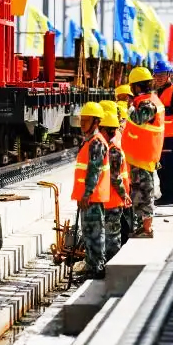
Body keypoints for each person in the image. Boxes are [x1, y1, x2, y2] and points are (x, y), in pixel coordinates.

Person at [122, 67, 166, 238]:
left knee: (145, 193)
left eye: (132, 86)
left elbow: (139, 118)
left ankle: (147, 229)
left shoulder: (149, 102)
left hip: (143, 155)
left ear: (138, 87)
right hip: (140, 154)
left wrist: (130, 106)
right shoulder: (147, 99)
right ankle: (143, 226)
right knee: (139, 193)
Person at [71, 102, 110, 280]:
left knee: (95, 234)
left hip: (92, 198)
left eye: (86, 121)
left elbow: (94, 170)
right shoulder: (89, 142)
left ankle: (97, 269)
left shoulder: (96, 143)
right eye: (82, 120)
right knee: (88, 234)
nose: (82, 124)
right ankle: (91, 266)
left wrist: (87, 194)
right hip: (87, 197)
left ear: (96, 122)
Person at [99, 103, 132, 260]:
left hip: (109, 199)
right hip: (112, 200)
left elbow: (114, 176)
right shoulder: (112, 148)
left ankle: (108, 264)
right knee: (112, 236)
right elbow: (115, 177)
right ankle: (110, 263)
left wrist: (124, 194)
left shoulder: (108, 148)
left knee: (110, 236)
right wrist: (124, 194)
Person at [153, 60, 173, 206]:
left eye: (161, 75)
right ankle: (165, 194)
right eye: (156, 75)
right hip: (162, 136)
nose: (158, 78)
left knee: (170, 168)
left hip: (171, 137)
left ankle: (172, 196)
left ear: (168, 75)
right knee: (161, 168)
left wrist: (161, 110)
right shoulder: (158, 92)